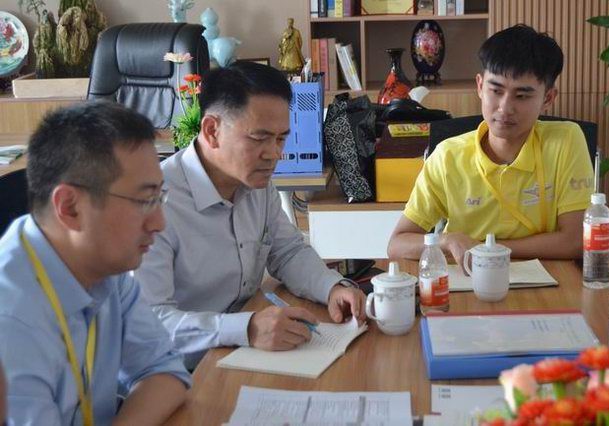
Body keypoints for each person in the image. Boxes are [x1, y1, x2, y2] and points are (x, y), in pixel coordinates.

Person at [135, 61, 366, 369]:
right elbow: (150, 322)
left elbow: (288, 252)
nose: (274, 154)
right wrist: (246, 329)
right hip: (178, 371)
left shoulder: (256, 183)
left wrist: (331, 287)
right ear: (212, 131)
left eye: (281, 138)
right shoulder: (154, 203)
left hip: (245, 352)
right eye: (259, 138)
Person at [0, 102, 191, 425]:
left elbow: (165, 370)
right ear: (70, 208)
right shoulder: (11, 321)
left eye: (160, 197)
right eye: (145, 200)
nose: (160, 223)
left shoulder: (104, 266)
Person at [388, 24, 594, 266]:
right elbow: (396, 244)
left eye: (522, 96)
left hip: (548, 281)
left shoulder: (566, 141)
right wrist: (446, 240)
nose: (505, 108)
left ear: (547, 98)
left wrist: (488, 250)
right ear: (480, 86)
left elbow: (576, 240)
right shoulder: (447, 156)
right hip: (468, 281)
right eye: (496, 90)